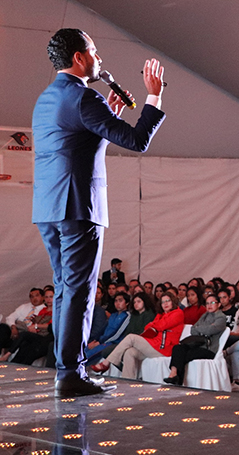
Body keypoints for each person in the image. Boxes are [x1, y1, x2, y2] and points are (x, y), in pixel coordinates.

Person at [33, 29, 165, 397]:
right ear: (79, 57)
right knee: (80, 292)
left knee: (64, 291)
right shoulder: (84, 96)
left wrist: (107, 117)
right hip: (78, 205)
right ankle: (71, 374)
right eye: (94, 51)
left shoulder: (46, 98)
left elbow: (75, 143)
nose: (99, 59)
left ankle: (65, 368)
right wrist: (154, 94)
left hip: (49, 206)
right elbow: (138, 140)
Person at [92, 293, 183, 379]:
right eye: (163, 302)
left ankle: (106, 362)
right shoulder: (161, 315)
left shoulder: (178, 313)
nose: (165, 304)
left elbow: (160, 326)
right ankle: (127, 380)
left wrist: (154, 324)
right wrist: (154, 324)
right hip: (155, 344)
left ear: (173, 301)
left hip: (165, 348)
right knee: (129, 352)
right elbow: (148, 327)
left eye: (168, 301)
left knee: (131, 337)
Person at [163, 295, 226, 385]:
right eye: (207, 303)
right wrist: (204, 328)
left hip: (209, 348)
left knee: (185, 355)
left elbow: (211, 330)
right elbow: (193, 329)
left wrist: (200, 328)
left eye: (212, 303)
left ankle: (178, 381)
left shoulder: (221, 317)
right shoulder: (205, 315)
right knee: (177, 348)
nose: (209, 305)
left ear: (219, 304)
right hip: (198, 344)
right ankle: (173, 374)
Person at [83, 292, 131, 365]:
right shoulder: (113, 315)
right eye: (116, 301)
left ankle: (79, 371)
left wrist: (100, 343)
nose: (117, 303)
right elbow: (103, 329)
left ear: (127, 303)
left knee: (91, 354)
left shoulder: (126, 316)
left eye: (120, 300)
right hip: (103, 340)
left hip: (113, 342)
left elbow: (116, 334)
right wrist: (96, 340)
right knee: (85, 350)